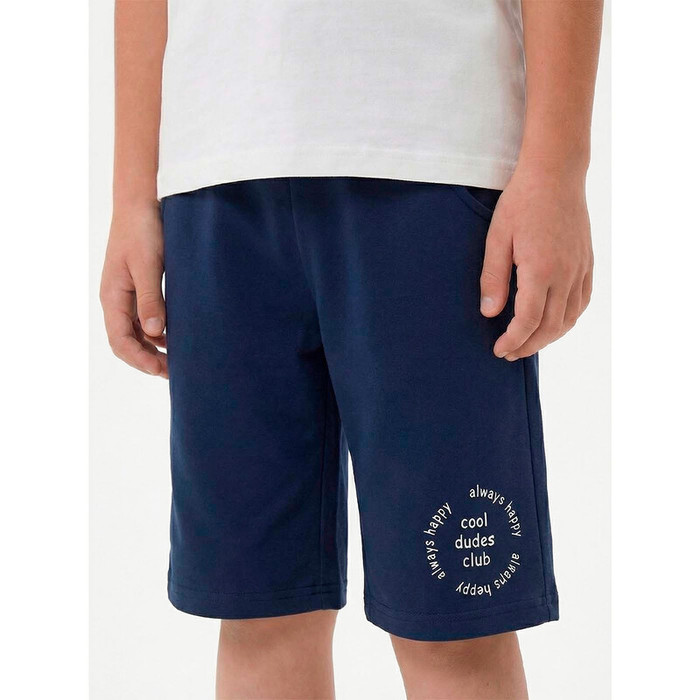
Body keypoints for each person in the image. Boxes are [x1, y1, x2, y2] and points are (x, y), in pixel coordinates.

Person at [100, 1, 602, 698]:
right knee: (258, 612)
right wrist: (132, 197)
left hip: (431, 158)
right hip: (214, 175)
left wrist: (557, 168)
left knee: (454, 622)